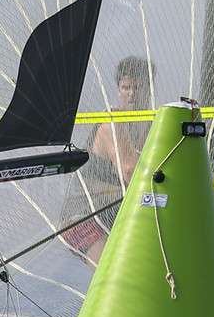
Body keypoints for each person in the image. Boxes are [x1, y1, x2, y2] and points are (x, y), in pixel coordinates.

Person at [62, 55, 154, 263]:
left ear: (149, 89)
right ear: (118, 91)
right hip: (84, 218)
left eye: (138, 87)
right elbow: (130, 170)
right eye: (126, 87)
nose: (131, 94)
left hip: (117, 212)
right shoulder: (113, 120)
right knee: (117, 282)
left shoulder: (150, 124)